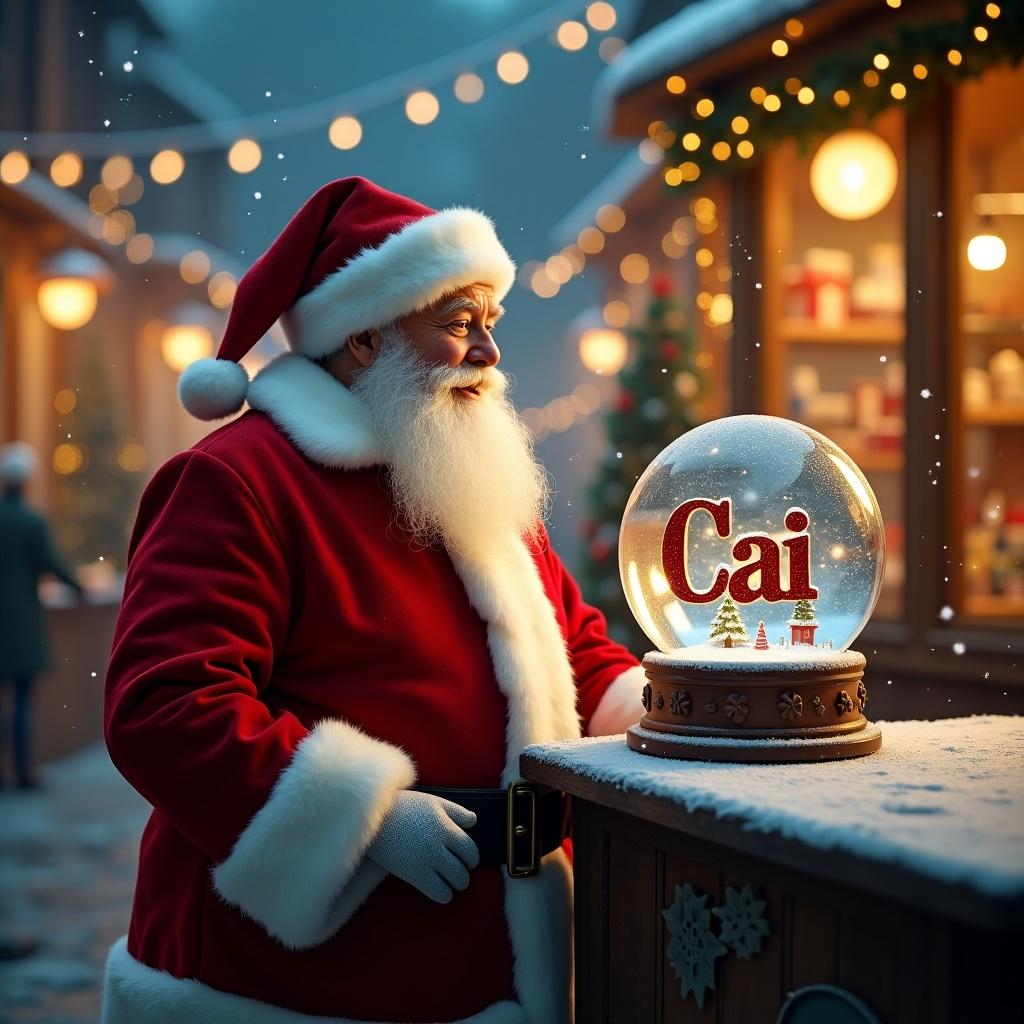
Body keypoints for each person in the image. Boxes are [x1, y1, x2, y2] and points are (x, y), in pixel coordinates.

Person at [101, 177, 644, 1024]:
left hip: (489, 956)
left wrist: (662, 711)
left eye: (489, 324)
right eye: (458, 324)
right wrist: (365, 818)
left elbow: (574, 646)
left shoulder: (471, 477)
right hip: (300, 975)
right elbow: (167, 707)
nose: (488, 354)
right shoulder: (237, 482)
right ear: (361, 339)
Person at [0, 442, 85, 789]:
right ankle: (22, 771)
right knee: (21, 702)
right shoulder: (31, 522)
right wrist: (77, 587)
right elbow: (49, 563)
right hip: (21, 624)